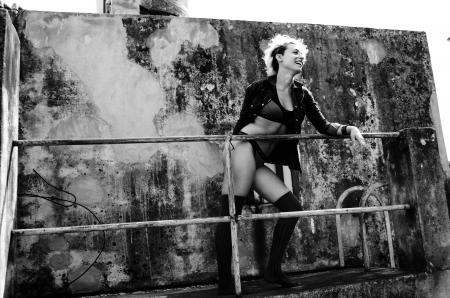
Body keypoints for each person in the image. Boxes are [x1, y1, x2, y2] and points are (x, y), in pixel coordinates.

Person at [215, 34, 365, 295]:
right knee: (231, 214)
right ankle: (226, 281)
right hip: (241, 148)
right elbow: (241, 125)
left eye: (302, 55)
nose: (300, 57)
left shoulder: (302, 94)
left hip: (257, 157)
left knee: (292, 208)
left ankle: (273, 269)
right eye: (294, 52)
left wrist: (348, 128)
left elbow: (324, 125)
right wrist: (230, 157)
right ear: (279, 57)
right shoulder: (258, 88)